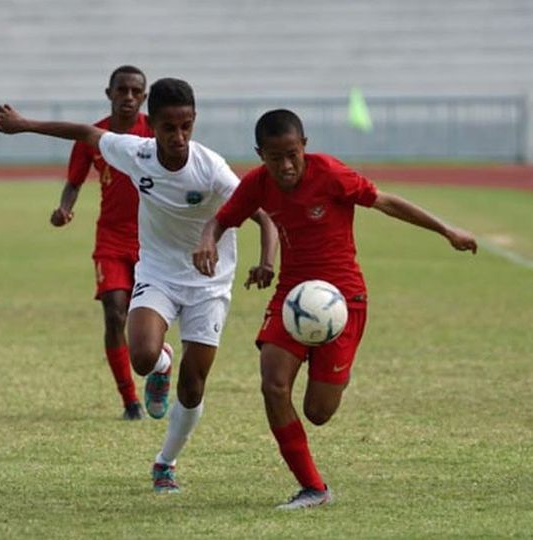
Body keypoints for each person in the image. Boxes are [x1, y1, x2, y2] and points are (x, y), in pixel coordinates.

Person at [0, 78, 277, 493]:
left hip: (208, 284)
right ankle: (161, 364)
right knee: (142, 356)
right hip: (158, 274)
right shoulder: (137, 153)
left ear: (194, 121)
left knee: (194, 383)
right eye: (169, 128)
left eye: (186, 126)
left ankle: (166, 462)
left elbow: (264, 216)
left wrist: (266, 262)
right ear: (152, 126)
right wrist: (24, 124)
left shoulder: (211, 167)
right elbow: (87, 134)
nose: (178, 137)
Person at [194, 109, 477, 509]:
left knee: (318, 412)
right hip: (292, 297)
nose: (286, 165)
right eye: (275, 158)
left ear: (304, 145)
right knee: (273, 385)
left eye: (293, 154)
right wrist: (208, 240)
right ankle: (313, 488)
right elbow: (221, 221)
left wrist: (447, 229)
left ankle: (336, 373)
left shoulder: (330, 173)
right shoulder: (256, 184)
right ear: (261, 155)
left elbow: (386, 202)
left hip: (342, 301)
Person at [50, 66, 153, 421]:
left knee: (150, 321)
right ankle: (130, 400)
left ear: (143, 97)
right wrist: (64, 208)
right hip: (110, 238)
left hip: (153, 243)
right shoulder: (92, 137)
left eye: (134, 91)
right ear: (108, 93)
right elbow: (74, 183)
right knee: (114, 314)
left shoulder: (155, 132)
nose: (127, 96)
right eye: (121, 90)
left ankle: (160, 367)